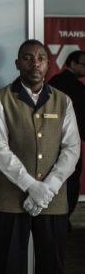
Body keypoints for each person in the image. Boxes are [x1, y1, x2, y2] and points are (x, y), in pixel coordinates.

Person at [0, 39, 80, 274]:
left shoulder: (63, 101)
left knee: (52, 269)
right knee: (5, 269)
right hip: (10, 199)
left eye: (41, 58)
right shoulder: (0, 99)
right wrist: (31, 185)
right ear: (17, 63)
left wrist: (48, 187)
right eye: (28, 58)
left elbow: (71, 148)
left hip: (53, 198)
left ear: (48, 64)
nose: (34, 63)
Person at [48, 50, 85, 218]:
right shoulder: (78, 88)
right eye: (84, 64)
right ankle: (64, 217)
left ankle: (57, 216)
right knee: (71, 179)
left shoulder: (53, 81)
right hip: (71, 140)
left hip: (50, 141)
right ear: (72, 63)